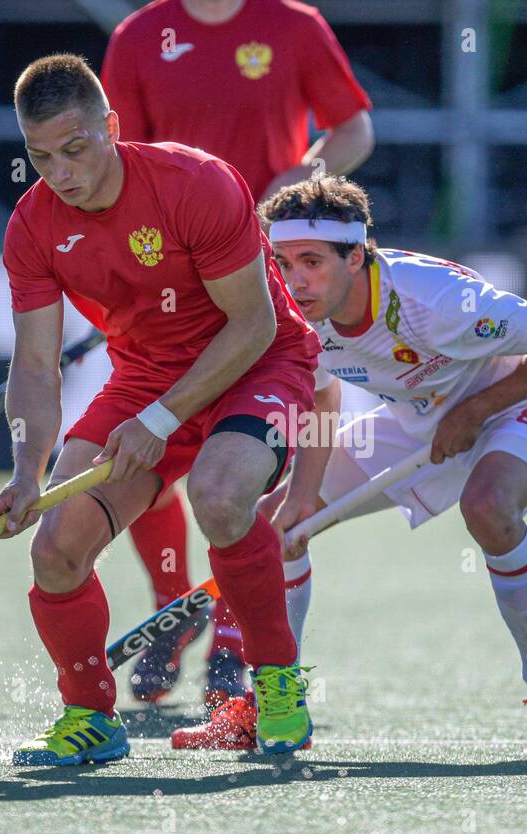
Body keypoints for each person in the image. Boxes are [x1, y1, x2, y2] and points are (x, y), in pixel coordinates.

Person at [0, 54, 321, 764]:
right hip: (145, 379)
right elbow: (36, 365)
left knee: (221, 501)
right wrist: (25, 470)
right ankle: (92, 719)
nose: (60, 173)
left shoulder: (196, 184)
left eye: (76, 149)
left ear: (113, 127)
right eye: (41, 157)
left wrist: (161, 419)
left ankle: (276, 682)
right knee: (56, 550)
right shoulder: (33, 226)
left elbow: (252, 326)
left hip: (259, 366)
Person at [172, 176, 527, 754]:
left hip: (525, 404)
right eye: (284, 262)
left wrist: (476, 409)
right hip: (417, 421)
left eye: (313, 262)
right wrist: (303, 494)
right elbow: (322, 398)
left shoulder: (434, 298)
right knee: (280, 527)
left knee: (488, 506)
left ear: (357, 255)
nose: (296, 281)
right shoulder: (292, 312)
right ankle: (274, 701)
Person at [102, 0, 374, 707]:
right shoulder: (138, 39)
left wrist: (299, 180)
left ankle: (231, 633)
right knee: (147, 461)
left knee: (236, 463)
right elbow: (113, 165)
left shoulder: (292, 25)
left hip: (264, 269)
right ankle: (175, 607)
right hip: (164, 281)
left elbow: (355, 129)